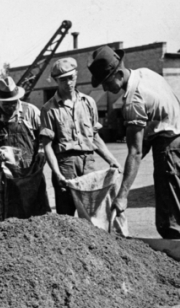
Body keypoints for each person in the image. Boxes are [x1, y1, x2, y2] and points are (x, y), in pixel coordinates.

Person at [88, 45, 180, 240]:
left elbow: (135, 152)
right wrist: (124, 171)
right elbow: (146, 140)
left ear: (118, 74)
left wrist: (122, 195)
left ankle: (178, 270)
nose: (104, 88)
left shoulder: (133, 100)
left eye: (105, 82)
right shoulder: (146, 74)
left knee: (172, 224)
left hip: (172, 152)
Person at [40, 57, 121, 216]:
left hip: (88, 163)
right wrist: (57, 174)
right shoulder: (48, 109)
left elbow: (95, 138)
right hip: (65, 165)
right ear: (56, 81)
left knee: (92, 213)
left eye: (71, 78)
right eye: (62, 80)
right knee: (66, 217)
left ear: (76, 76)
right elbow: (47, 146)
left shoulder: (89, 102)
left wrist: (112, 160)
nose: (68, 83)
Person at [0, 76, 50, 220]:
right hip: (2, 173)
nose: (10, 107)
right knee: (2, 213)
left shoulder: (31, 112)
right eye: (6, 104)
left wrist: (41, 151)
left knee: (35, 212)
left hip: (29, 171)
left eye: (13, 103)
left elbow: (44, 136)